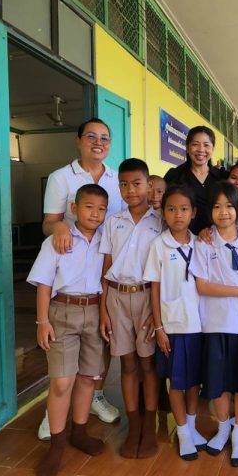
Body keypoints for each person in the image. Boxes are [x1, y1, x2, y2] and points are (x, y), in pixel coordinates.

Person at [39, 118, 123, 436]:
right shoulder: (61, 177)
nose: (98, 142)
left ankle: (94, 397)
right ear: (78, 141)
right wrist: (60, 226)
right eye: (91, 136)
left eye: (104, 138)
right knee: (63, 363)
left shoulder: (116, 179)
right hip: (70, 264)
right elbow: (48, 222)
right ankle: (54, 412)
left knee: (100, 344)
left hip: (103, 268)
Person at [27, 184, 110, 476]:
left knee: (88, 377)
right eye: (88, 207)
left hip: (94, 311)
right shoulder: (58, 240)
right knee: (62, 381)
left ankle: (80, 432)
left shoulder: (105, 241)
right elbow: (44, 283)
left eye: (101, 209)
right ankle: (57, 444)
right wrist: (42, 322)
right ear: (74, 209)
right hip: (62, 311)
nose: (95, 214)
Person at [191, 182, 238, 468]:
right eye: (216, 206)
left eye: (229, 206)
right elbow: (202, 285)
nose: (223, 212)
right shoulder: (204, 242)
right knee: (218, 382)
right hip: (214, 324)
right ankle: (223, 427)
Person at [98, 158, 163, 459]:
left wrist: (156, 310)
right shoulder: (113, 222)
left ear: (149, 185)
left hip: (148, 298)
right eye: (123, 184)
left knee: (148, 364)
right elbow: (106, 267)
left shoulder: (160, 222)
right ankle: (133, 424)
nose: (130, 190)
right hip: (116, 298)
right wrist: (103, 309)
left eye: (137, 183)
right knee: (126, 364)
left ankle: (149, 424)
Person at [143, 185, 208, 460]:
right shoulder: (159, 245)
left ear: (193, 213)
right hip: (173, 326)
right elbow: (154, 288)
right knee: (177, 382)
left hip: (200, 326)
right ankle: (181, 432)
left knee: (194, 382)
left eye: (183, 209)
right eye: (171, 209)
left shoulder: (202, 243)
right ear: (163, 213)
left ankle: (191, 427)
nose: (177, 215)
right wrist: (159, 328)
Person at [163, 126, 227, 234]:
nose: (201, 150)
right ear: (187, 148)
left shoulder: (222, 176)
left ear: (212, 149)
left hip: (216, 238)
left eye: (206, 145)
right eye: (195, 144)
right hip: (183, 238)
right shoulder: (175, 175)